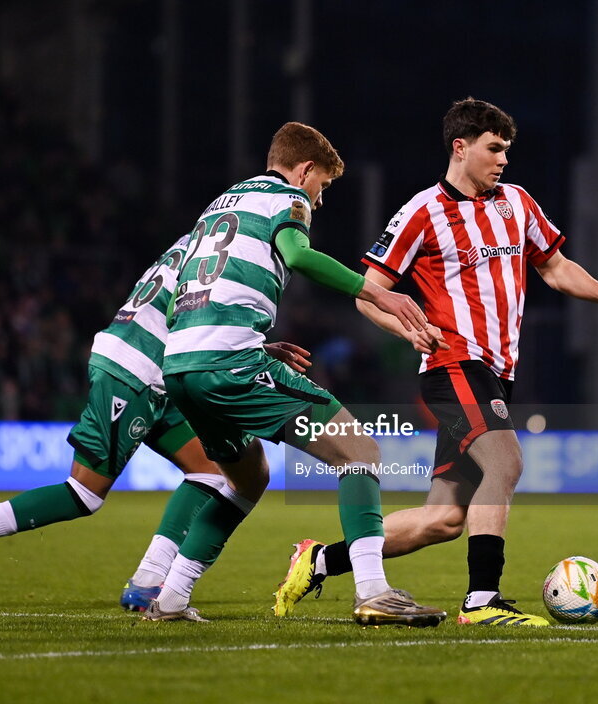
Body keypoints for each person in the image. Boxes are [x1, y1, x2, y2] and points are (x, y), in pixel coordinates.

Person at [273, 98, 598, 626]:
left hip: (497, 375)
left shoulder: (517, 204)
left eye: (507, 150)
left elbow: (556, 267)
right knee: (507, 464)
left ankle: (320, 560)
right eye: (494, 148)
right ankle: (482, 600)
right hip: (454, 366)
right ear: (461, 147)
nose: (503, 160)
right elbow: (369, 295)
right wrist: (406, 328)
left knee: (444, 518)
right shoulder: (422, 211)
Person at [140, 121, 446, 626]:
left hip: (181, 362)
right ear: (305, 170)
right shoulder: (289, 198)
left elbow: (185, 283)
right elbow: (299, 255)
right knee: (360, 450)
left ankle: (171, 598)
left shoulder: (224, 203)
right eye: (322, 184)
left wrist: (253, 339)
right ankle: (372, 590)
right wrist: (378, 292)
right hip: (229, 362)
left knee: (247, 477)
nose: (319, 200)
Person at [0, 235, 312, 607]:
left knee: (210, 470)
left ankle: (148, 581)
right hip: (136, 367)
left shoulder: (202, 239)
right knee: (84, 493)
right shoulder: (226, 248)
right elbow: (201, 312)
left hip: (160, 367)